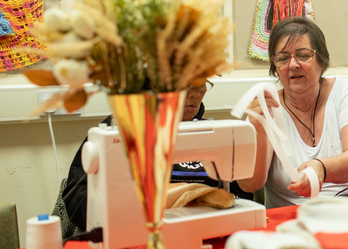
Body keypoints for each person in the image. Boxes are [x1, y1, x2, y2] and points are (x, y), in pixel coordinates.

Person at [58, 81, 252, 235]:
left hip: (205, 232)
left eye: (201, 86)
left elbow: (239, 192)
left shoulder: (212, 132)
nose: (195, 94)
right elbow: (77, 197)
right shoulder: (118, 130)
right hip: (138, 236)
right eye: (187, 86)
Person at [238, 18, 348, 208]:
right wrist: (259, 132)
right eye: (283, 58)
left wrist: (322, 167)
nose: (293, 65)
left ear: (321, 61)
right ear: (275, 67)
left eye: (303, 55)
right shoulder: (266, 107)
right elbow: (249, 185)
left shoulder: (346, 92)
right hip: (290, 222)